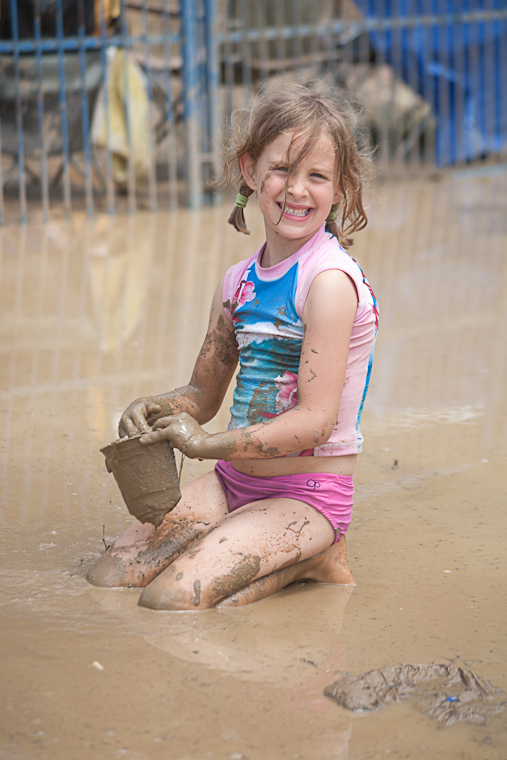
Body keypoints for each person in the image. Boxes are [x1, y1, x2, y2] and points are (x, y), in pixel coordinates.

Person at [87, 81, 379, 610]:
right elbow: (202, 396)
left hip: (307, 494)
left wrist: (204, 444)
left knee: (171, 600)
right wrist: (154, 408)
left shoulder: (328, 282)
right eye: (281, 169)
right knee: (110, 576)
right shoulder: (238, 282)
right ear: (250, 171)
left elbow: (315, 422)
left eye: (316, 176)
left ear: (340, 190)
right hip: (233, 480)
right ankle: (283, 558)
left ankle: (318, 553)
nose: (296, 190)